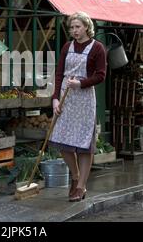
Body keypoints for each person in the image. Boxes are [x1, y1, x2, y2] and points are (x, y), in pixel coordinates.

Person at [49, 11, 107, 202]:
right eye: (72, 27)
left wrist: (81, 84)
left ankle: (81, 186)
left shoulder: (97, 48)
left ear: (86, 27)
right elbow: (59, 73)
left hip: (84, 100)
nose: (74, 30)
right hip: (66, 99)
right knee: (62, 140)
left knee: (83, 145)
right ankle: (74, 176)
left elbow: (101, 75)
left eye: (78, 27)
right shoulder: (67, 46)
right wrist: (55, 99)